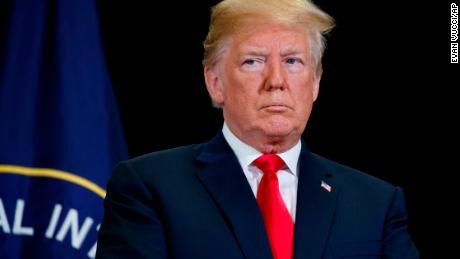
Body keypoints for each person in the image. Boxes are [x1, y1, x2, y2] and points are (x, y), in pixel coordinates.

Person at [96, 0, 419, 258]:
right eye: (254, 61)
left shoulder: (376, 202)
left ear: (316, 82)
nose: (276, 81)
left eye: (293, 61)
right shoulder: (148, 188)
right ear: (215, 82)